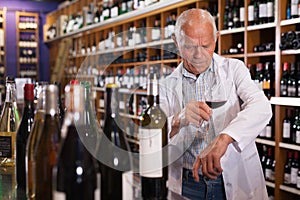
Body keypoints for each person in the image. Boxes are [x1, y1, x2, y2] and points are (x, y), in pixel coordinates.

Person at [159, 8, 272, 200]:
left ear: (217, 38)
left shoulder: (234, 69)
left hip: (233, 179)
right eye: (189, 46)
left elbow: (261, 106)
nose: (198, 54)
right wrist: (178, 119)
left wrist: (224, 138)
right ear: (176, 42)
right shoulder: (166, 85)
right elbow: (152, 134)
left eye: (206, 45)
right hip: (188, 185)